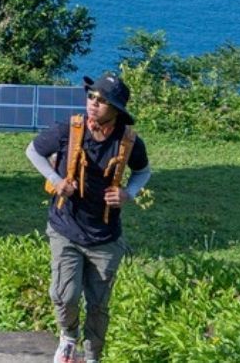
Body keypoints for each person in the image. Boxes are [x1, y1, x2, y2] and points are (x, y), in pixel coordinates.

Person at [26, 74, 152, 363]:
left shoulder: (129, 141)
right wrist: (56, 180)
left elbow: (143, 171)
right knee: (64, 295)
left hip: (105, 236)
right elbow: (33, 151)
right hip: (66, 227)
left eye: (102, 100)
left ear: (116, 110)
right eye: (91, 96)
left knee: (98, 305)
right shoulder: (68, 130)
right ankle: (68, 337)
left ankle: (93, 357)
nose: (93, 103)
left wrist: (128, 193)